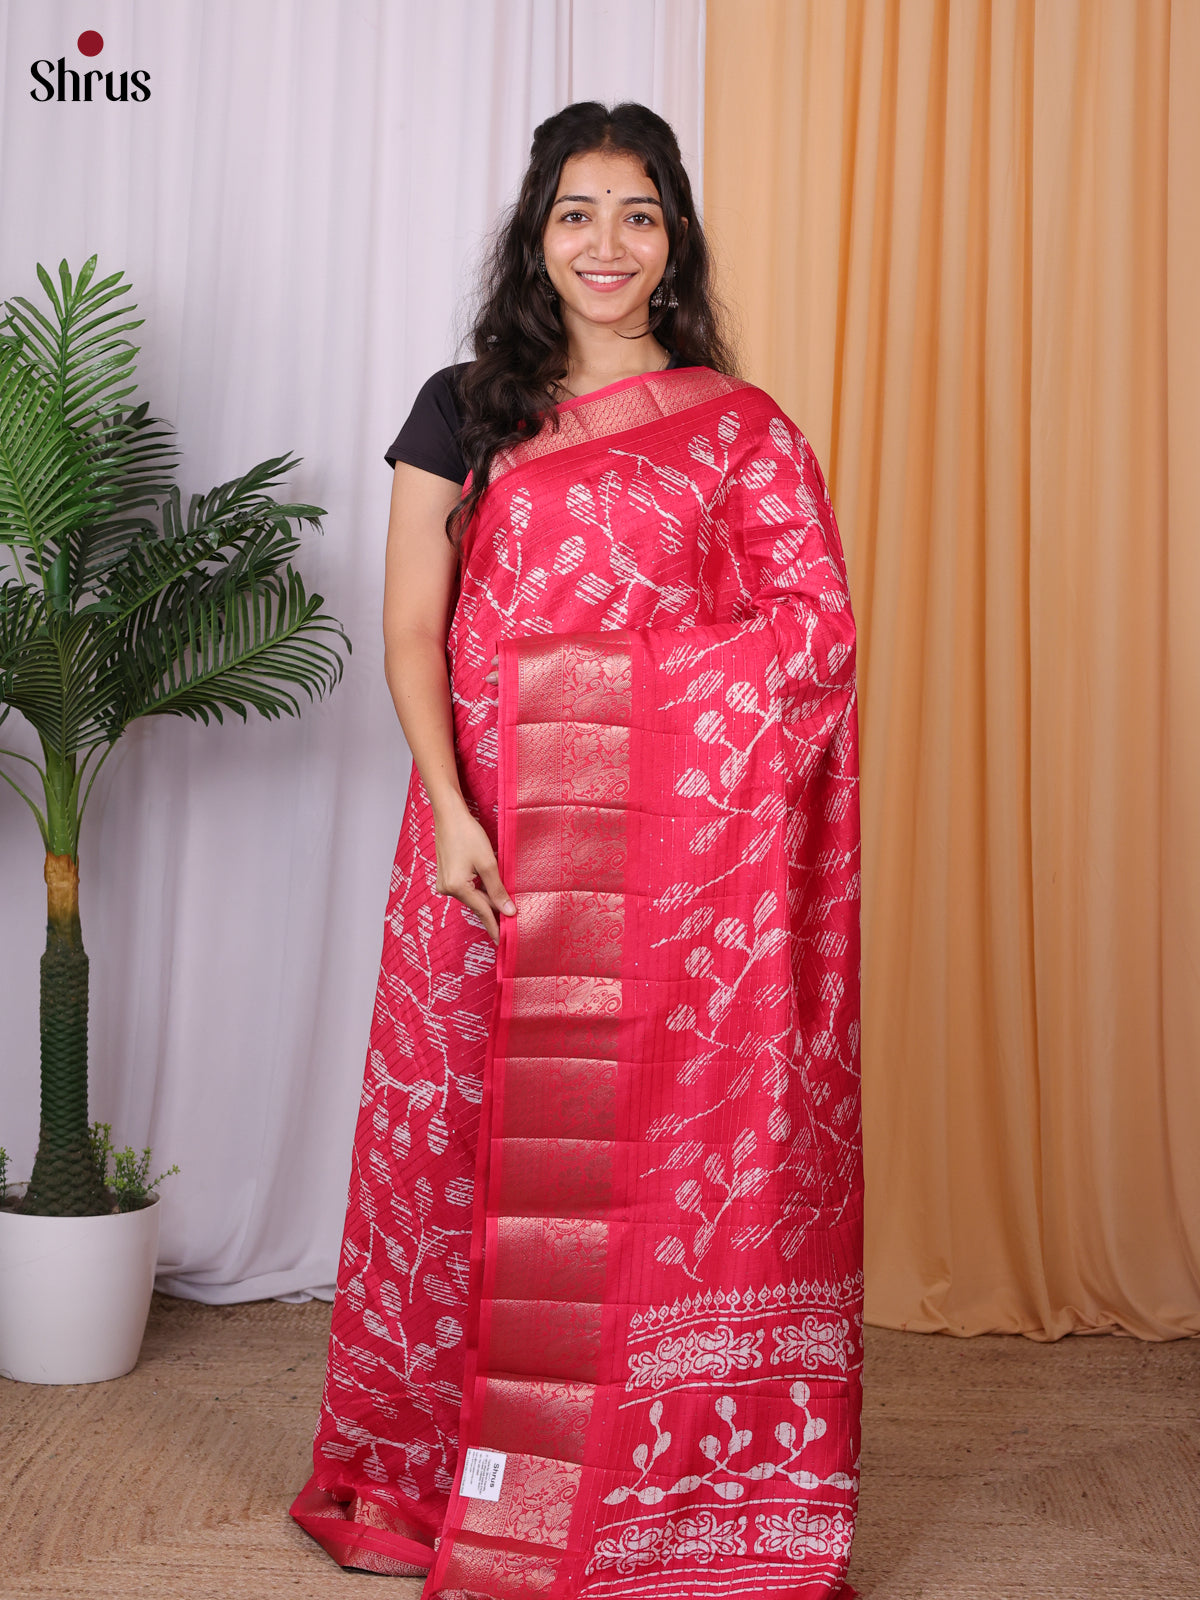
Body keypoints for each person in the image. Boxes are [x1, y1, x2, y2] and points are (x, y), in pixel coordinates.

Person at [292, 101, 863, 1600]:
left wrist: (616, 699)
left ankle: (649, 1494)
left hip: (671, 888)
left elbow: (811, 640)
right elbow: (416, 638)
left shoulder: (733, 430)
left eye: (637, 215)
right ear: (534, 234)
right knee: (465, 1154)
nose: (605, 245)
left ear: (672, 242)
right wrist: (460, 811)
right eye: (576, 213)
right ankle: (438, 1481)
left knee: (637, 1179)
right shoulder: (463, 407)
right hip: (486, 851)